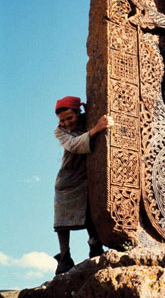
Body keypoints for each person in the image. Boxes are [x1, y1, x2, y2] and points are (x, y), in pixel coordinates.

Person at [53, 96, 114, 275]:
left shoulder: (89, 117)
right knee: (62, 220)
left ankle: (95, 247)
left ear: (78, 113)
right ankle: (65, 258)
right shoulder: (59, 132)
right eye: (62, 120)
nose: (66, 123)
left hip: (88, 175)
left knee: (90, 211)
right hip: (68, 178)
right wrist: (95, 129)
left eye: (69, 118)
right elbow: (73, 145)